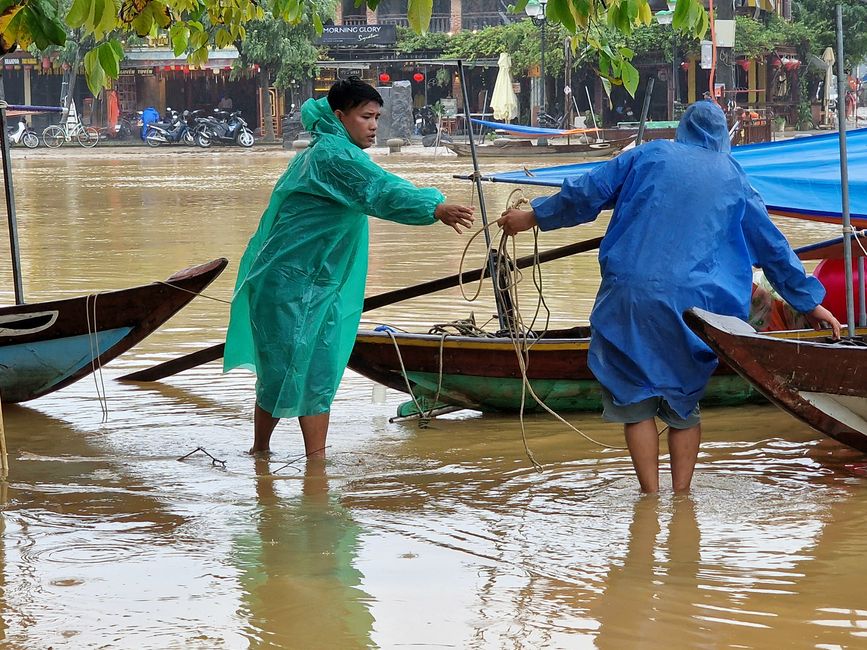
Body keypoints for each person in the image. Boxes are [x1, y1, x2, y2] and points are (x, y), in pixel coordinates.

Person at [497, 100, 841, 494]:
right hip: (697, 305)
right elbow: (773, 248)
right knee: (683, 405)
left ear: (683, 130)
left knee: (636, 401)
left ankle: (650, 498)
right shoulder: (734, 176)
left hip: (631, 294)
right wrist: (809, 302)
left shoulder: (647, 155)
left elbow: (587, 192)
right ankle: (681, 499)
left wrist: (533, 216)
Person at [224, 77, 475, 458]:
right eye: (365, 117)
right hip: (288, 286)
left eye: (377, 117)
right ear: (340, 116)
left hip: (316, 285)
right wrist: (434, 207)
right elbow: (381, 191)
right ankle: (264, 452)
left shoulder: (331, 152)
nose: (374, 125)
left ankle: (311, 465)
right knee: (284, 371)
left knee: (317, 373)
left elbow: (377, 186)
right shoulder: (331, 157)